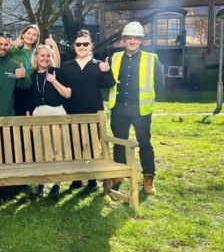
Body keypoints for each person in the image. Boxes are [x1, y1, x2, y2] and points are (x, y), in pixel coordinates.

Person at [108, 21, 164, 195]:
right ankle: (119, 175)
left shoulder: (151, 59)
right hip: (119, 108)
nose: (132, 41)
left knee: (145, 143)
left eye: (136, 38)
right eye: (129, 38)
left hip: (141, 110)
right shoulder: (114, 58)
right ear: (124, 40)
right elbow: (108, 81)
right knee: (119, 143)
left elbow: (160, 83)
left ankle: (148, 178)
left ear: (141, 40)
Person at [60, 30, 115, 192]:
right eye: (79, 44)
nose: (82, 47)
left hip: (93, 112)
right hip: (73, 112)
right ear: (74, 47)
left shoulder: (99, 65)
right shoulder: (67, 67)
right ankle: (76, 179)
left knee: (91, 146)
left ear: (91, 46)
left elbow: (109, 84)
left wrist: (106, 71)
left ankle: (92, 179)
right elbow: (62, 90)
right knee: (74, 145)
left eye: (85, 44)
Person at [29, 45, 72, 198]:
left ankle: (57, 184)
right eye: (42, 56)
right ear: (36, 57)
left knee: (57, 149)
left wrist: (54, 81)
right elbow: (30, 100)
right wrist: (30, 120)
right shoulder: (32, 75)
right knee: (41, 150)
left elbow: (67, 94)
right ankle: (42, 183)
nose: (45, 58)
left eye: (48, 56)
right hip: (39, 113)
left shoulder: (57, 72)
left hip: (57, 112)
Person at [9, 24, 61, 116]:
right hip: (16, 88)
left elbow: (56, 66)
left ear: (37, 38)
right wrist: (12, 43)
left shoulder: (39, 51)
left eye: (34, 35)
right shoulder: (13, 50)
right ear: (23, 35)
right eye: (28, 33)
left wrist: (54, 46)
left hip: (34, 89)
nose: (31, 36)